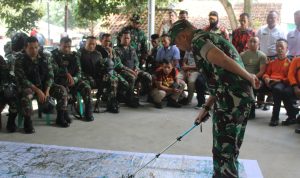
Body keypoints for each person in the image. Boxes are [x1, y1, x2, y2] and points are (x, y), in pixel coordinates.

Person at [169, 19, 259, 178]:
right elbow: (219, 79)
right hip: (233, 97)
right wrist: (206, 107)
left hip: (232, 99)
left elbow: (223, 59)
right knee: (227, 148)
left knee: (224, 150)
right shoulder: (206, 38)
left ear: (183, 36)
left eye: (176, 42)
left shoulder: (198, 41)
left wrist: (249, 76)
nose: (177, 47)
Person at [15, 37, 70, 133]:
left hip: (44, 87)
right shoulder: (19, 60)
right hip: (30, 88)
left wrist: (47, 91)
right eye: (31, 48)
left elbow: (50, 75)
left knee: (62, 90)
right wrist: (38, 91)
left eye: (36, 47)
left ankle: (60, 117)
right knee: (26, 94)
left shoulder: (45, 57)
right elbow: (23, 79)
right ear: (25, 48)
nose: (34, 50)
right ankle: (27, 122)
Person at [51, 37, 94, 122]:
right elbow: (54, 70)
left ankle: (88, 112)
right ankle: (63, 114)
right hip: (60, 81)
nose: (67, 49)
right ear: (60, 45)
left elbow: (79, 71)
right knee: (63, 90)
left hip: (74, 81)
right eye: (65, 47)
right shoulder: (54, 55)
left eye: (69, 47)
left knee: (86, 87)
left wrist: (74, 79)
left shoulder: (74, 56)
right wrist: (66, 74)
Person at [262, 39, 298, 126]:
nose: (280, 49)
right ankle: (251, 111)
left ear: (286, 49)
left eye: (282, 47)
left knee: (277, 89)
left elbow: (289, 77)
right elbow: (267, 73)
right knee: (257, 85)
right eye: (278, 46)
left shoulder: (290, 62)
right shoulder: (272, 61)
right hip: (270, 82)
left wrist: (279, 80)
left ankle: (275, 117)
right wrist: (266, 78)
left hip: (281, 83)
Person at [114, 31, 152, 106]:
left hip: (134, 70)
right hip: (122, 71)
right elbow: (118, 64)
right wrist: (131, 71)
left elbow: (136, 61)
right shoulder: (116, 49)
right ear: (120, 38)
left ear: (130, 39)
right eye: (124, 38)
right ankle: (129, 98)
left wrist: (136, 68)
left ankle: (144, 96)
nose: (126, 40)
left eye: (128, 38)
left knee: (148, 76)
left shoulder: (132, 49)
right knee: (132, 78)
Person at [240, 37, 268, 118]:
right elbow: (240, 68)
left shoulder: (262, 56)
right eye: (250, 41)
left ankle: (251, 112)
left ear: (258, 45)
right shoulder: (242, 55)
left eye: (254, 42)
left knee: (250, 84)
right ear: (247, 44)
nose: (252, 43)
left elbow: (262, 71)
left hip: (256, 78)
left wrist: (251, 77)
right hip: (244, 76)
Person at [95, 33, 120, 113]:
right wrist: (109, 56)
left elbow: (115, 63)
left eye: (109, 41)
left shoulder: (111, 49)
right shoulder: (97, 50)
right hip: (100, 72)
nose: (107, 43)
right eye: (105, 41)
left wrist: (111, 54)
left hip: (111, 71)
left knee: (118, 79)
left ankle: (113, 100)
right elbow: (100, 63)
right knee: (113, 79)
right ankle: (110, 103)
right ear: (101, 40)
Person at [0, 55, 18, 132]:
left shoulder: (2, 61)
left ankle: (11, 123)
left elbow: (12, 78)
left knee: (15, 104)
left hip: (7, 91)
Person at [287, 56, 300, 133]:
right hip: (296, 85)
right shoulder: (296, 60)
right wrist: (295, 86)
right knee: (286, 92)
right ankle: (292, 116)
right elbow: (290, 74)